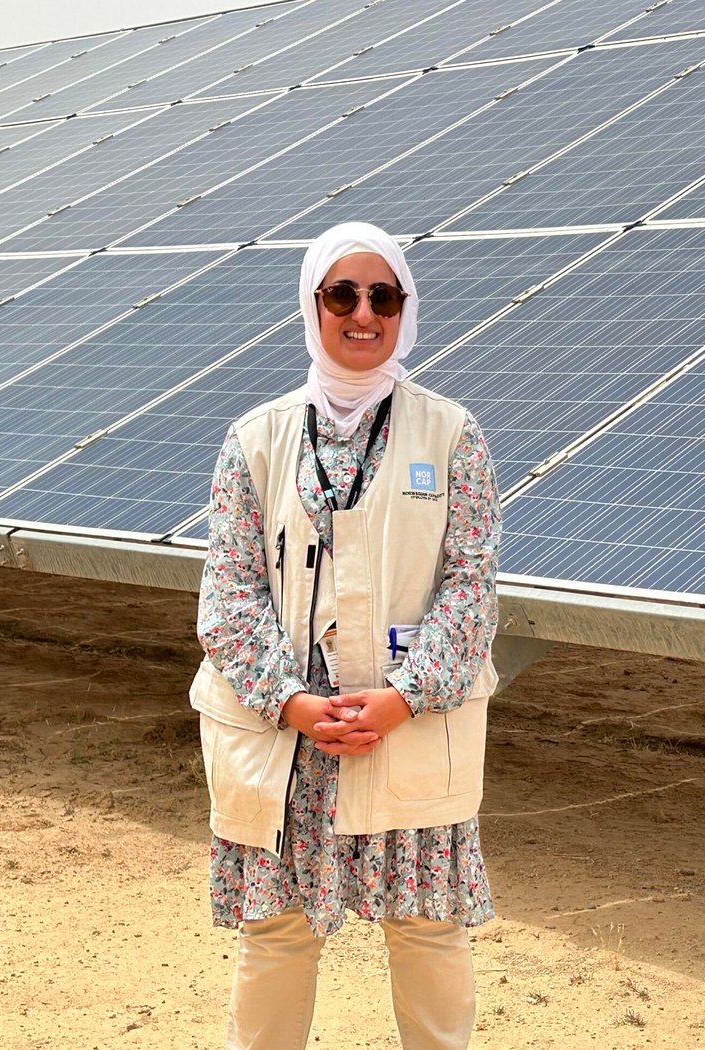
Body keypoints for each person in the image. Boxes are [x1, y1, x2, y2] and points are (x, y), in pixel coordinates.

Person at [189, 221, 500, 1050]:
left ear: (404, 311)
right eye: (342, 294)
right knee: (280, 932)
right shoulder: (253, 441)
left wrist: (402, 699)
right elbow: (229, 593)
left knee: (428, 927)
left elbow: (470, 585)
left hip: (404, 723)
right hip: (286, 736)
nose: (364, 314)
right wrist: (289, 702)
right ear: (312, 305)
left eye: (384, 297)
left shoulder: (453, 435)